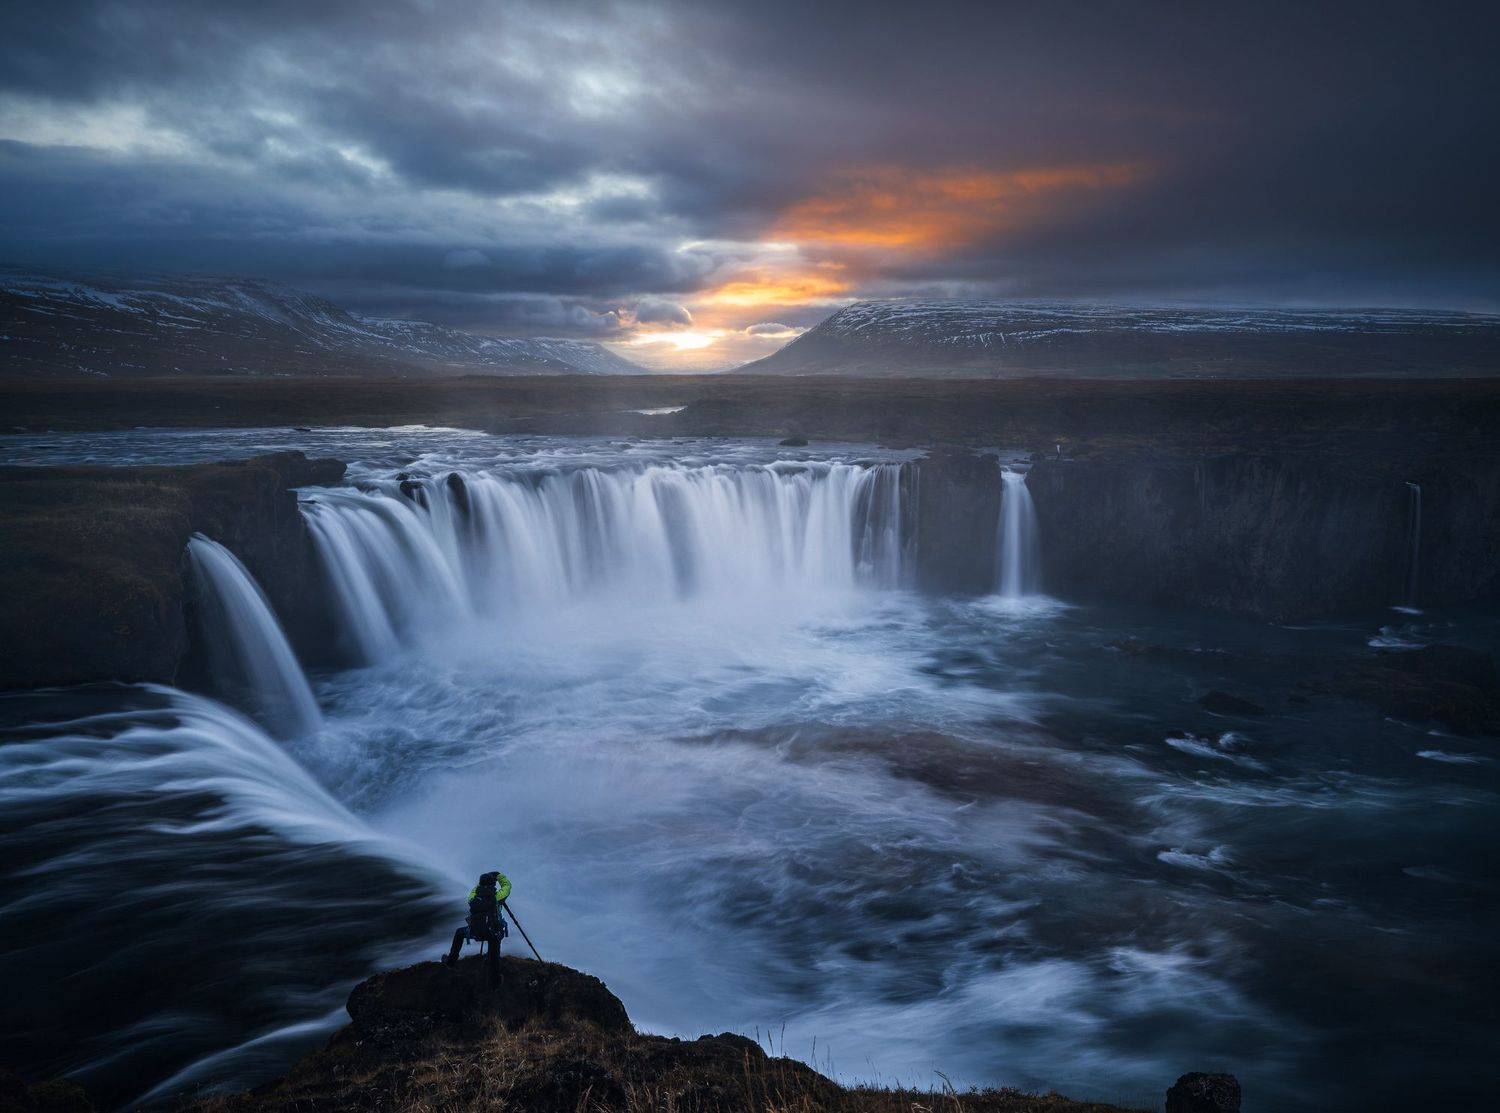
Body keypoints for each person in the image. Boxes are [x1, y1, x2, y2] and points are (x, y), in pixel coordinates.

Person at [442, 870, 511, 987]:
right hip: (493, 933)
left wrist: (481, 883)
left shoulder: (473, 897)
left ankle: (451, 961)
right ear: (493, 884)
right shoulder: (497, 897)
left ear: (480, 884)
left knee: (459, 933)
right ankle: (494, 981)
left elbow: (474, 892)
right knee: (494, 952)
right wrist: (498, 875)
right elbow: (507, 886)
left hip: (475, 932)